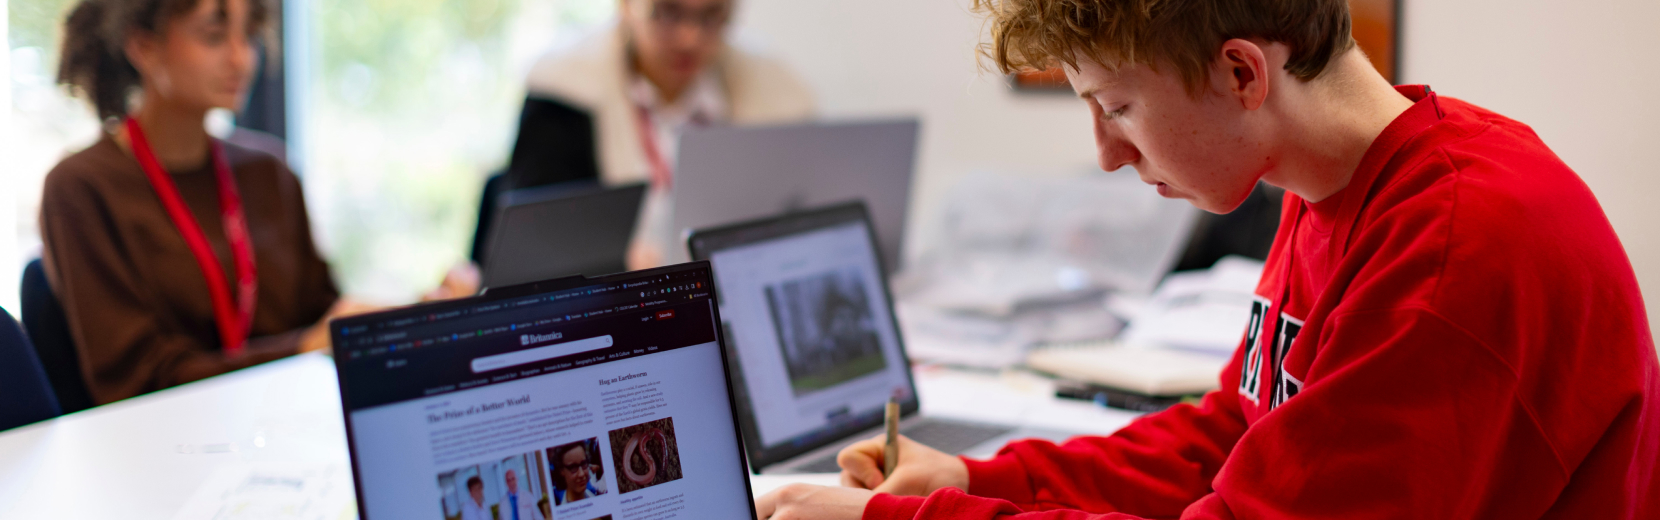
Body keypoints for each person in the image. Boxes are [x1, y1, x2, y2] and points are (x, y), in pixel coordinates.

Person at [756, 0, 1660, 518]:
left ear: (1241, 74)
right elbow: (1235, 435)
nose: (1107, 153)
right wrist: (977, 477)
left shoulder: (1454, 251)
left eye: (1115, 106)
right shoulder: (1334, 186)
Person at [43, 0, 475, 405]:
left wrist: (419, 316)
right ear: (144, 47)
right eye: (214, 37)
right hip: (165, 449)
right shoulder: (82, 188)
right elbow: (136, 382)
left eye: (249, 35)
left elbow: (321, 316)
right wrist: (303, 348)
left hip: (286, 428)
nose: (242, 58)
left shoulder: (269, 171)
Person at [491, 0, 814, 269]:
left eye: (712, 15)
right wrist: (617, 262)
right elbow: (535, 247)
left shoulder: (776, 94)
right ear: (627, 6)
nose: (689, 38)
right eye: (668, 12)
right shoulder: (564, 93)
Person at [550, 441, 607, 505]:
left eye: (584, 464)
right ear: (561, 471)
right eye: (573, 468)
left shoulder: (591, 494)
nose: (581, 474)